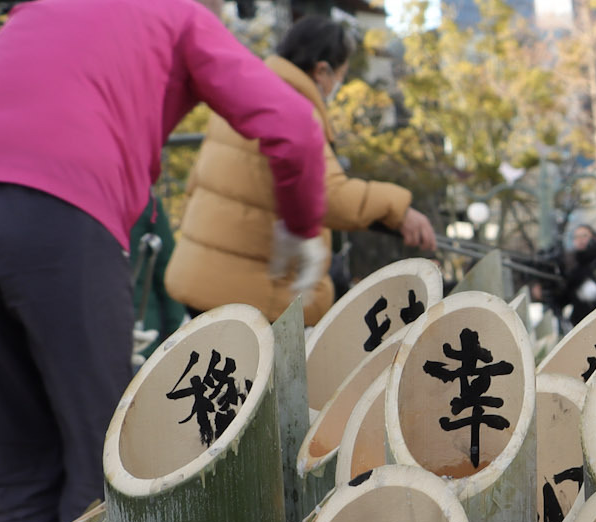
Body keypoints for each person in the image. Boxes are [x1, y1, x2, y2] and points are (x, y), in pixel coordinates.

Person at [0, 0, 326, 522]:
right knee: (100, 452)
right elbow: (292, 126)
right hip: (62, 209)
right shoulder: (178, 15)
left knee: (10, 463)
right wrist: (301, 224)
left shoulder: (39, 8)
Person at [166, 15, 434, 325]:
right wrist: (399, 210)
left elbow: (196, 183)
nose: (337, 86)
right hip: (251, 295)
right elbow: (327, 196)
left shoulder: (241, 95)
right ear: (322, 70)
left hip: (199, 279)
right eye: (341, 76)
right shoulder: (295, 111)